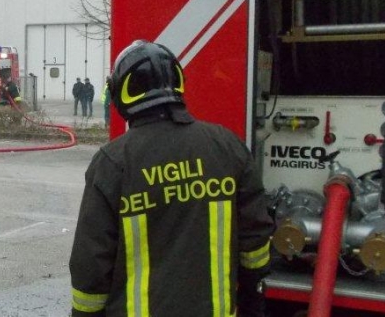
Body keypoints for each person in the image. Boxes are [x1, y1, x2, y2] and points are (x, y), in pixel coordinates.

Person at [69, 40, 273, 317]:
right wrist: (252, 301)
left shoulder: (113, 163)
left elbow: (90, 267)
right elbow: (256, 243)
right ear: (177, 84)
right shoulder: (226, 146)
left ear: (122, 94)